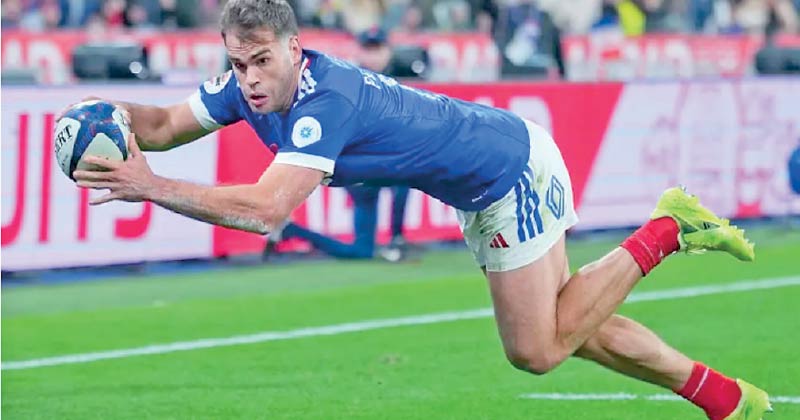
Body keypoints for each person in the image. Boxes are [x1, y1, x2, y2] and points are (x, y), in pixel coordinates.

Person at [70, 1, 770, 419]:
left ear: (294, 49)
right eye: (238, 63)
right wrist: (102, 113)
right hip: (492, 169)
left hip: (507, 173)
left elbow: (267, 210)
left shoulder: (325, 101)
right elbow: (163, 124)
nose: (249, 79)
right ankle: (724, 398)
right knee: (571, 325)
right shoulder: (245, 86)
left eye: (261, 61)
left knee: (538, 349)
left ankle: (667, 228)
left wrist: (150, 186)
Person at [264, 26, 413, 262]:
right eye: (368, 49)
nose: (374, 55)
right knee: (406, 174)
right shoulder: (347, 78)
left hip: (374, 162)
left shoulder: (396, 77)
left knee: (362, 252)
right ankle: (396, 240)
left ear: (388, 50)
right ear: (359, 51)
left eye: (378, 48)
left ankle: (288, 229)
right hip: (354, 165)